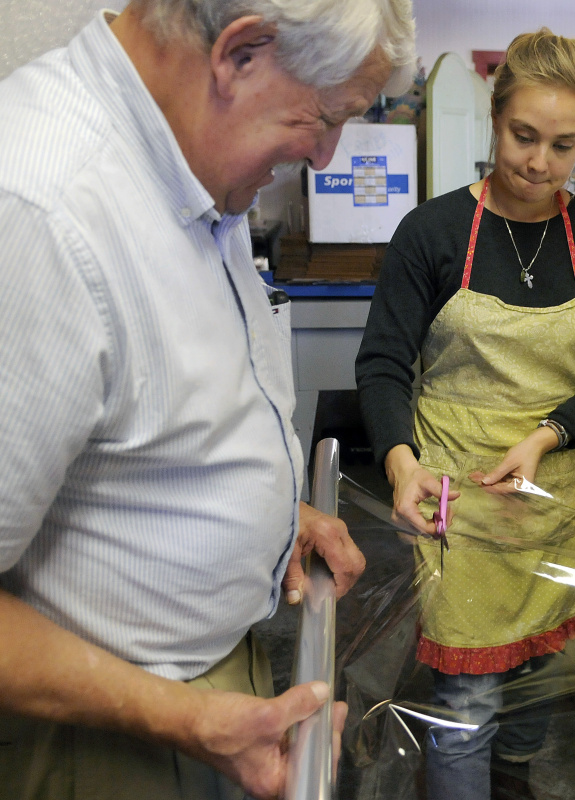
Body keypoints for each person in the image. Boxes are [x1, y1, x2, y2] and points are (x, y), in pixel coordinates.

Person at [0, 1, 414, 798]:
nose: (326, 158)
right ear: (241, 52)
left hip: (206, 684)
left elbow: (150, 415)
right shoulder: (42, 213)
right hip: (106, 730)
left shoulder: (186, 156)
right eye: (324, 118)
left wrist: (263, 513)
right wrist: (186, 720)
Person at [355, 28, 575, 800]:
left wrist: (548, 434)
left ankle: (512, 779)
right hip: (458, 492)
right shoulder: (434, 232)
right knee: (467, 700)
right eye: (524, 136)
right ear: (494, 118)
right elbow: (383, 364)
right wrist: (400, 461)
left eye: (563, 144)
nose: (538, 163)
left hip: (556, 488)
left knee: (536, 672)